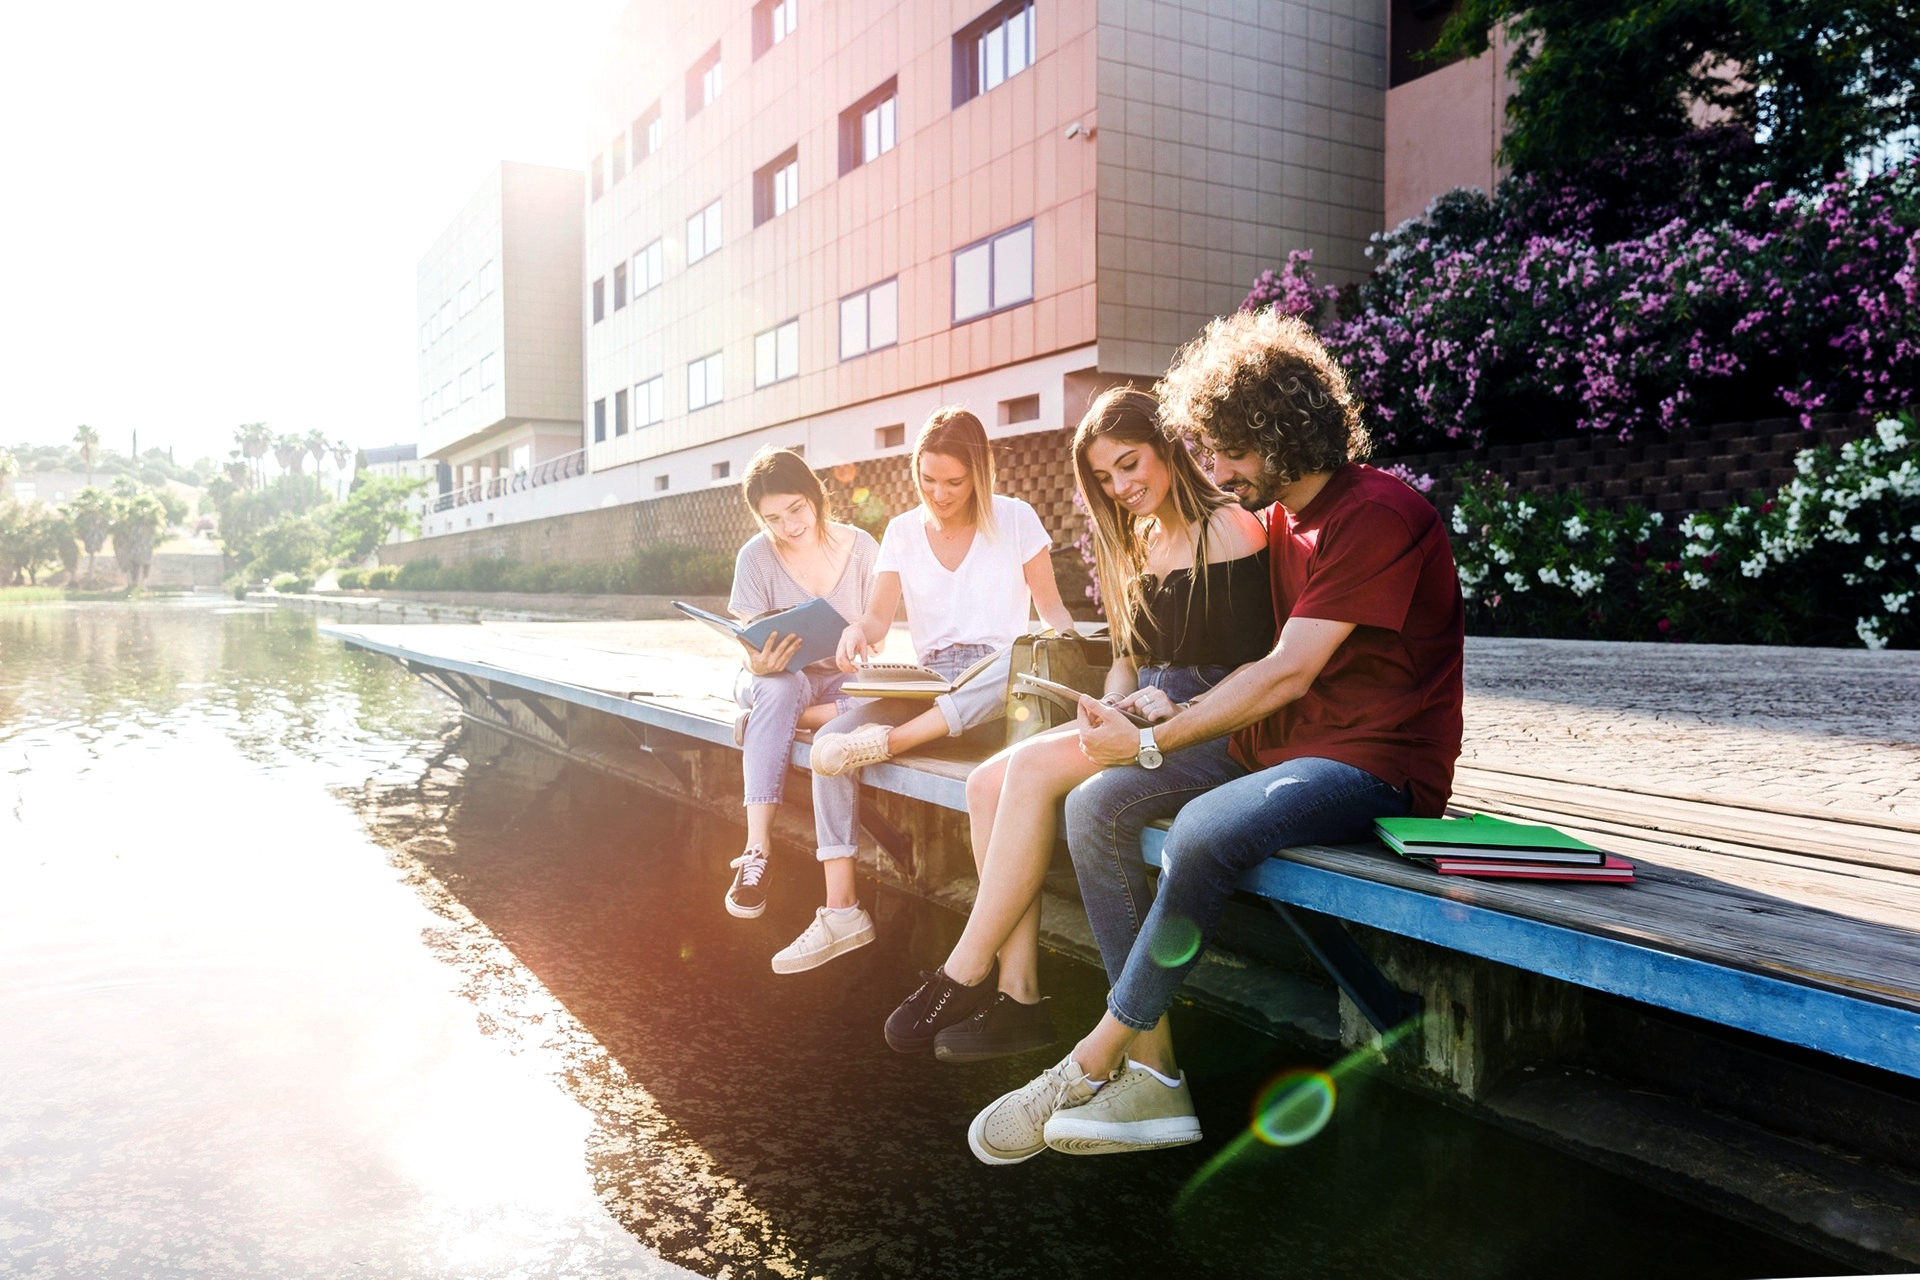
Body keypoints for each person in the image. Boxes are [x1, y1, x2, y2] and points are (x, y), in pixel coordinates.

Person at [967, 309, 1466, 1165]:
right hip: (1282, 747)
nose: (1219, 471)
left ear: (1284, 432)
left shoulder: (1380, 513)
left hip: (1376, 764)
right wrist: (1159, 709)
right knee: (1093, 806)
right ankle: (1156, 1081)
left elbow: (1287, 672)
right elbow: (1242, 663)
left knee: (1198, 830)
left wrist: (1152, 744)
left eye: (1232, 452)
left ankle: (1092, 1060)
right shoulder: (1281, 521)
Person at [878, 387, 1270, 1061]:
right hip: (1142, 715)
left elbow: (1259, 670)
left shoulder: (1228, 528)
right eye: (1105, 477)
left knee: (1031, 767)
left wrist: (1169, 710)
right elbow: (1127, 661)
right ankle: (1019, 996)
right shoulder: (1146, 538)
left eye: (1129, 464)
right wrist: (1112, 702)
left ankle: (963, 969)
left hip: (1211, 730)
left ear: (1166, 447)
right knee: (984, 784)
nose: (1120, 487)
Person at [768, 408, 1076, 975]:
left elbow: (1052, 612)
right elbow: (877, 620)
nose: (940, 493)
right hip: (930, 685)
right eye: (928, 479)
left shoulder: (1016, 518)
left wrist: (1073, 649)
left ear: (979, 472)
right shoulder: (904, 531)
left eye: (954, 481)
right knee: (833, 744)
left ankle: (889, 743)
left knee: (1016, 659)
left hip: (996, 689)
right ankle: (841, 911)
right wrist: (857, 631)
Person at [722, 447, 880, 921]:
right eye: (773, 518)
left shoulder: (861, 548)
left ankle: (767, 724)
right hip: (775, 678)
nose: (789, 526)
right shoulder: (755, 556)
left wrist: (858, 640)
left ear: (815, 495)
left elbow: (877, 631)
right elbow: (748, 642)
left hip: (841, 679)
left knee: (882, 698)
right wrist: (759, 663)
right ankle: (756, 850)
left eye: (796, 509)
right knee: (779, 690)